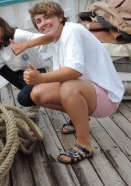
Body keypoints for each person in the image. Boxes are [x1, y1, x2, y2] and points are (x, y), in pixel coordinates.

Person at [10, 2, 124, 164]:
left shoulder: (72, 31)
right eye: (39, 21)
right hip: (90, 92)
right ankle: (80, 117)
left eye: (47, 17)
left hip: (107, 97)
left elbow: (75, 72)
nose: (43, 23)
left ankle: (84, 144)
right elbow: (48, 38)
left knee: (68, 86)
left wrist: (40, 78)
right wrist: (26, 45)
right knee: (36, 94)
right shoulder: (59, 34)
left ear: (60, 17)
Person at [0, 15, 48, 119]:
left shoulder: (18, 35)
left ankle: (34, 104)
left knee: (23, 98)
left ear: (2, 26)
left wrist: (24, 45)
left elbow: (46, 38)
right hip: (21, 77)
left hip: (38, 74)